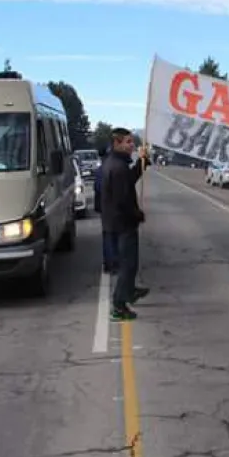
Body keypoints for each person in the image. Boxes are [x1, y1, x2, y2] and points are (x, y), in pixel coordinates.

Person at [100, 128, 149, 321]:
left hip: (117, 222)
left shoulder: (116, 164)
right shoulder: (117, 168)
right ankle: (119, 306)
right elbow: (123, 200)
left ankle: (129, 291)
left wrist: (142, 163)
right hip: (122, 223)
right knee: (128, 265)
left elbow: (129, 181)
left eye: (132, 142)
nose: (132, 146)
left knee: (130, 263)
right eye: (128, 142)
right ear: (117, 143)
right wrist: (137, 215)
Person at [93, 148, 118, 274]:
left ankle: (108, 263)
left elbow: (97, 189)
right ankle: (113, 263)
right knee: (114, 236)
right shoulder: (113, 169)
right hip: (114, 207)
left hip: (105, 208)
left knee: (108, 235)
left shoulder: (99, 171)